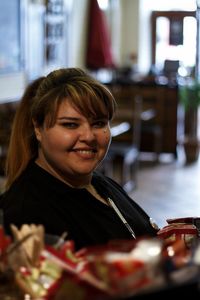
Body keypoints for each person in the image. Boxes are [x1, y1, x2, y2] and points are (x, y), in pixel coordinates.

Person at [0, 68, 159, 250]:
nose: (89, 136)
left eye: (98, 123)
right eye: (70, 124)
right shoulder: (23, 216)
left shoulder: (101, 184)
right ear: (38, 128)